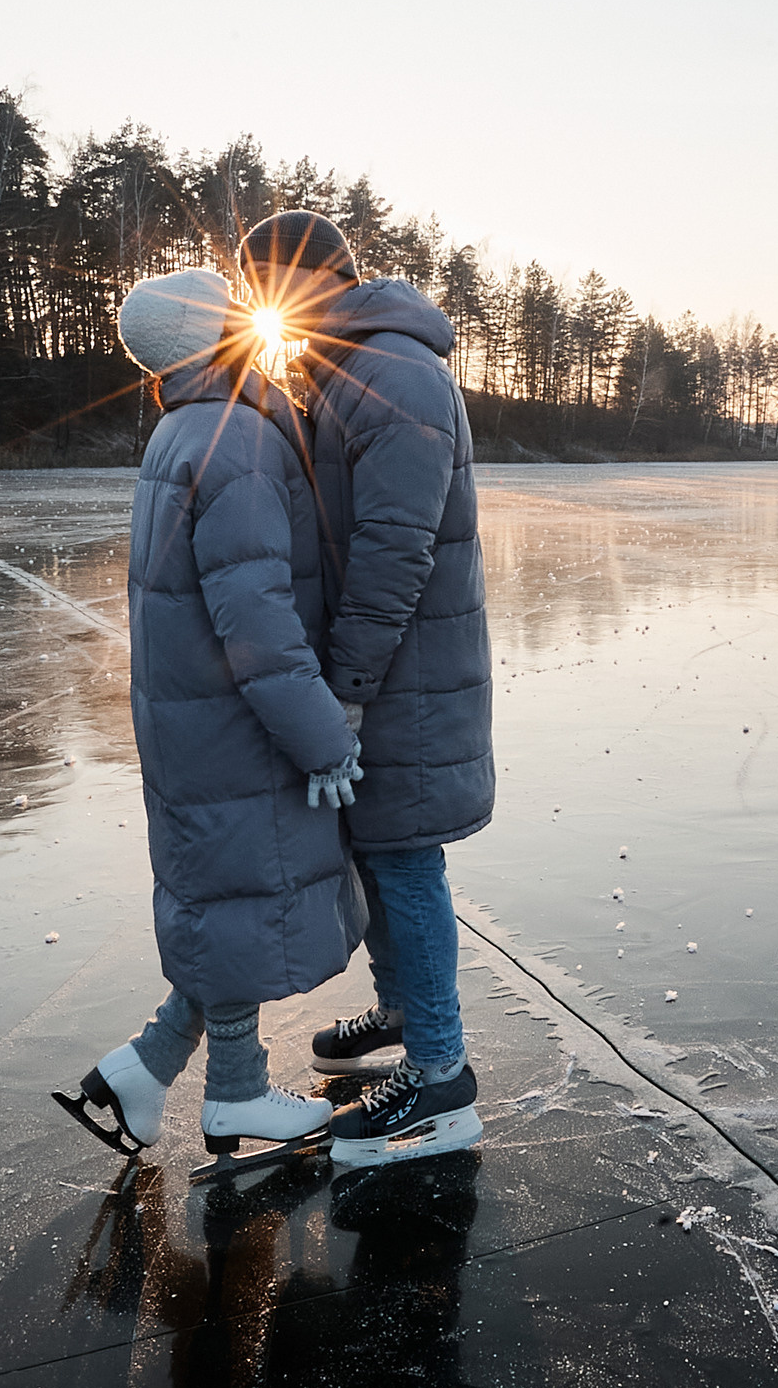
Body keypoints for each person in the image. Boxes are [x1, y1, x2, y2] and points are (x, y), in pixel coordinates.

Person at [55, 266, 370, 1167]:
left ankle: (144, 1069)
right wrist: (324, 739)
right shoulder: (235, 440)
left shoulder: (183, 428)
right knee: (240, 904)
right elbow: (258, 622)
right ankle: (234, 1095)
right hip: (236, 724)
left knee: (229, 901)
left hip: (194, 717)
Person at [240, 210, 495, 1169]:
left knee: (404, 854)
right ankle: (404, 1010)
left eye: (267, 286)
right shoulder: (348, 365)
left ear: (311, 280)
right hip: (387, 665)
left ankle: (440, 1073)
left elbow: (394, 547)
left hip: (404, 674)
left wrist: (346, 683)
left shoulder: (393, 373)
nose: (264, 306)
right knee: (380, 847)